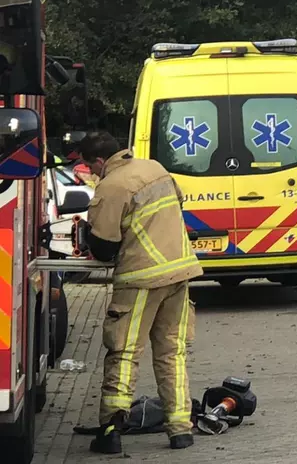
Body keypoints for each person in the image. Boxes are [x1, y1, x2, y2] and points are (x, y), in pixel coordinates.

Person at [79, 132, 202, 453]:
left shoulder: (112, 185)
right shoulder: (156, 169)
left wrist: (86, 233)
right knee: (171, 353)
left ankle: (110, 431)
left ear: (99, 161)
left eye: (91, 168)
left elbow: (105, 247)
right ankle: (180, 430)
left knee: (124, 352)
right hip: (179, 272)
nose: (93, 174)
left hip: (141, 280)